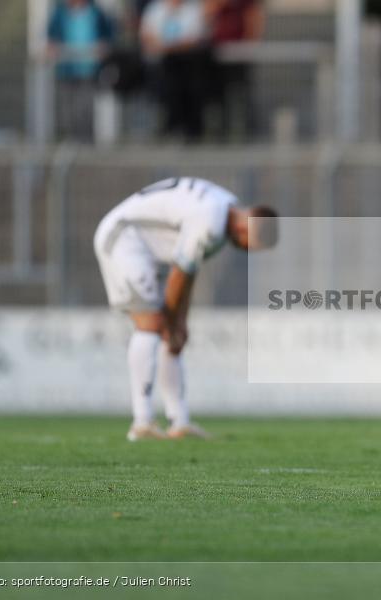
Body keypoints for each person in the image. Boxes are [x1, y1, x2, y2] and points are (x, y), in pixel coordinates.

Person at [93, 177, 278, 441]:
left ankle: (179, 422)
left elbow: (189, 270)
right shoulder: (211, 221)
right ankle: (142, 422)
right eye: (249, 244)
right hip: (124, 239)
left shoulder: (226, 206)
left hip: (147, 250)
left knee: (172, 334)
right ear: (245, 228)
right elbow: (180, 274)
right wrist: (174, 320)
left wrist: (180, 321)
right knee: (152, 324)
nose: (246, 250)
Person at [139, 0, 211, 140]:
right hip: (161, 67)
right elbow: (146, 35)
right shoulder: (155, 9)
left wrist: (170, 48)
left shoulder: (193, 9)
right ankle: (172, 124)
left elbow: (196, 38)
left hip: (189, 66)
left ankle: (190, 128)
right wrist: (164, 48)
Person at [46, 0, 116, 141]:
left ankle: (86, 143)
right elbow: (52, 38)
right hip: (66, 69)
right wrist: (53, 48)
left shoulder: (96, 12)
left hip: (89, 70)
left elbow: (108, 36)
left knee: (85, 109)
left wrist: (103, 47)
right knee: (67, 111)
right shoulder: (59, 12)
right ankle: (70, 141)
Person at [204, 0, 266, 141]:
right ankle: (218, 131)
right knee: (217, 96)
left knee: (239, 95)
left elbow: (254, 22)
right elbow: (206, 15)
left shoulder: (245, 4)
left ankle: (241, 131)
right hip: (216, 56)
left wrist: (248, 47)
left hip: (238, 55)